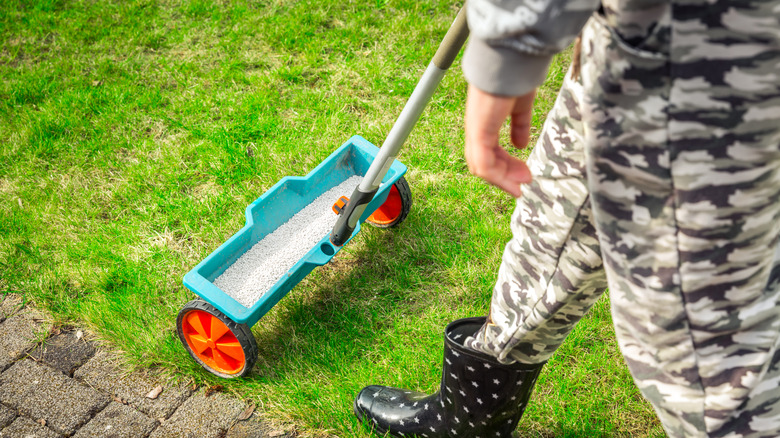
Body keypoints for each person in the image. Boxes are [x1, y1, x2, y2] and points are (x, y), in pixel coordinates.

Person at [353, 0, 780, 436]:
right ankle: (468, 418)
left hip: (706, 59)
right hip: (639, 40)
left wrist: (509, 48)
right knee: (557, 211)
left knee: (704, 342)